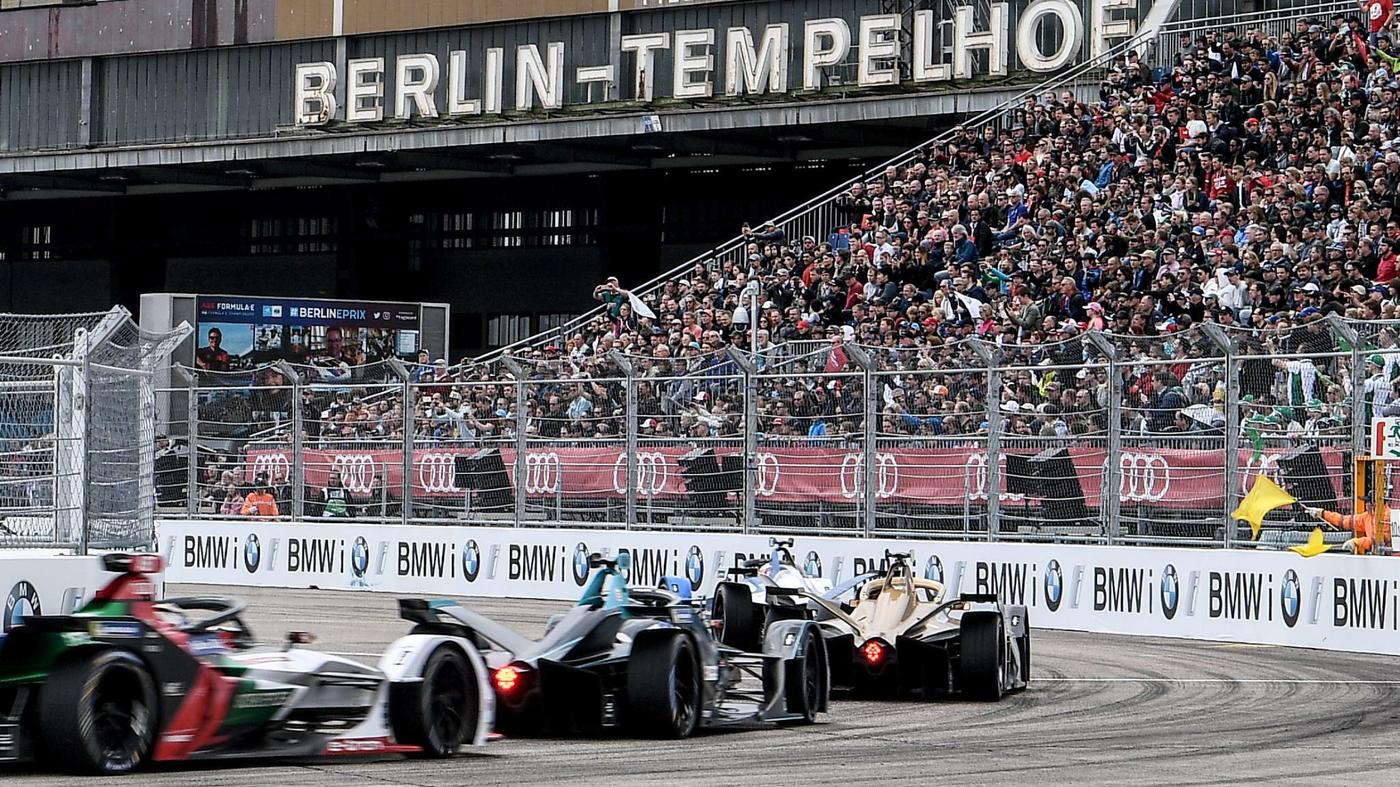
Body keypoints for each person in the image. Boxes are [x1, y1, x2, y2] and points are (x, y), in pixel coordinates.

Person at [1303, 501, 1393, 554]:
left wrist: (1357, 541)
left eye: (1368, 502)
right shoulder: (1367, 516)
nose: (1366, 504)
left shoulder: (1387, 517)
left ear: (1374, 504)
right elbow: (1344, 520)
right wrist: (1322, 513)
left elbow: (1380, 540)